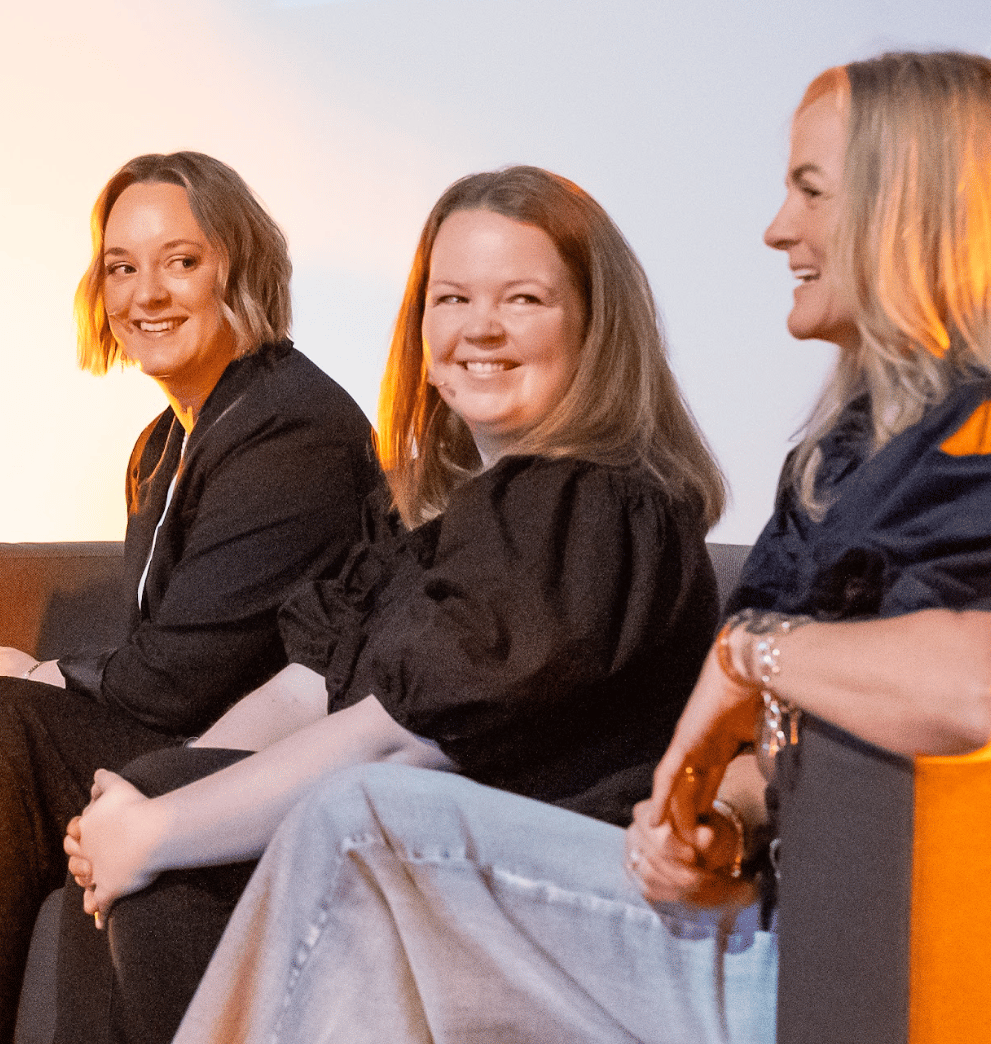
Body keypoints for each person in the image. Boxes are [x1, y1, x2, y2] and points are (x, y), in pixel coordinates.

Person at [169, 50, 991, 1044]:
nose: (779, 229)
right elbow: (808, 757)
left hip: (847, 959)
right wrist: (722, 824)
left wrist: (750, 657)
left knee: (358, 821)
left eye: (810, 193)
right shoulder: (852, 454)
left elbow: (986, 689)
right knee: (369, 901)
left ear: (911, 214)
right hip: (768, 914)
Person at [57, 165, 727, 1044]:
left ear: (595, 326)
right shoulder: (438, 527)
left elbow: (404, 733)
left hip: (557, 894)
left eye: (522, 299)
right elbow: (309, 687)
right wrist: (143, 802)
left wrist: (159, 829)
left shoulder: (589, 504)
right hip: (421, 857)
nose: (479, 327)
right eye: (451, 299)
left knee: (168, 845)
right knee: (135, 809)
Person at [0, 151, 377, 1038]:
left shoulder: (294, 424)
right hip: (178, 729)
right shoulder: (159, 444)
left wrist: (39, 671)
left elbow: (174, 682)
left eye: (180, 261)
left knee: (9, 726)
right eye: (121, 267)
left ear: (236, 269)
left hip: (261, 755)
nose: (146, 294)